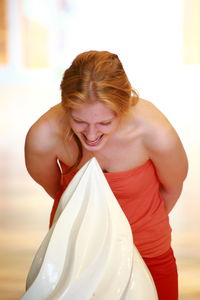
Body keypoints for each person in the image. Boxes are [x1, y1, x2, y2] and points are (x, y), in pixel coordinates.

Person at [24, 50, 188, 300]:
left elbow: (172, 187)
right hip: (75, 256)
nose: (91, 136)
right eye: (79, 121)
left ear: (123, 108)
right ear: (66, 105)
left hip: (147, 251)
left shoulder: (155, 132)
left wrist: (134, 228)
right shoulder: (43, 136)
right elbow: (55, 188)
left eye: (104, 123)